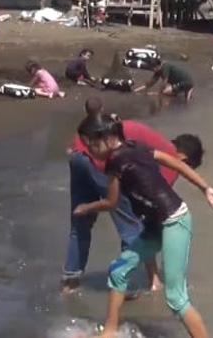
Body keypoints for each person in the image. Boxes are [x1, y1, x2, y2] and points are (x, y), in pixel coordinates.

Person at [73, 114, 213, 338]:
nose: (89, 150)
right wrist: (205, 189)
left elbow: (111, 202)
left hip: (175, 221)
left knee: (176, 299)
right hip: (156, 225)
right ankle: (110, 332)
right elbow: (173, 161)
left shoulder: (116, 162)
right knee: (119, 270)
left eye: (92, 144)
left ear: (107, 138)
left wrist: (86, 208)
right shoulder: (135, 146)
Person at [63, 99, 203, 293]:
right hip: (99, 159)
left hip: (78, 156)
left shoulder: (145, 138)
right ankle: (127, 287)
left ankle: (70, 283)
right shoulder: (167, 158)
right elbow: (146, 211)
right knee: (132, 225)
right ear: (184, 159)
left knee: (80, 223)